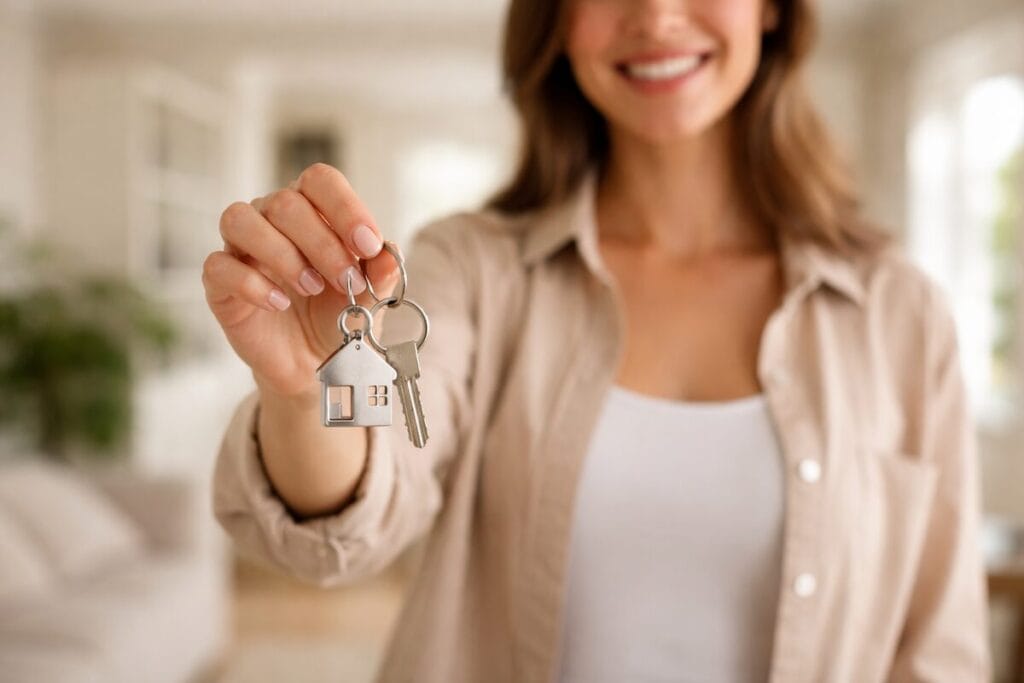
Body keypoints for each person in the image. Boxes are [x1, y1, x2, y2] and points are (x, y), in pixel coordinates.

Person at [203, 0, 992, 680]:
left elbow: (941, 654)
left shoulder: (900, 314)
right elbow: (355, 515)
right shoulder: (473, 269)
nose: (656, 15)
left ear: (773, 8)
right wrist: (303, 388)